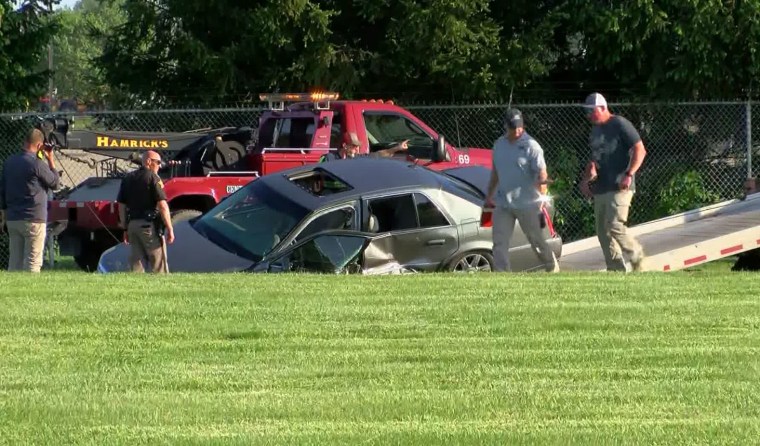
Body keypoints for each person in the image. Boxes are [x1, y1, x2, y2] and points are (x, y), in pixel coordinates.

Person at [579, 92, 647, 272]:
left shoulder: (619, 124)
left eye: (591, 111)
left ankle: (637, 257)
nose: (589, 116)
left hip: (620, 185)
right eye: (587, 112)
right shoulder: (594, 131)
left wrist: (629, 173)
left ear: (603, 108)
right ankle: (616, 270)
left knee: (615, 225)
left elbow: (640, 150)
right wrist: (587, 178)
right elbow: (594, 160)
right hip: (601, 187)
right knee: (603, 233)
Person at [485, 109, 559, 273]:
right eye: (513, 127)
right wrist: (489, 195)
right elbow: (496, 172)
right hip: (504, 203)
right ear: (506, 126)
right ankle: (502, 276)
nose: (517, 130)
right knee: (499, 243)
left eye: (519, 126)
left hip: (528, 203)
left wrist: (542, 196)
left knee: (537, 241)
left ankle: (552, 268)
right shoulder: (499, 145)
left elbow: (542, 173)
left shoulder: (532, 146)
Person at [0, 128, 61, 272]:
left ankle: (13, 291)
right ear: (39, 145)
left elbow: (2, 190)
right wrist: (50, 159)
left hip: (14, 219)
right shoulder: (37, 164)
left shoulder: (9, 162)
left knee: (15, 262)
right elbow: (55, 183)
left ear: (25, 141)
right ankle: (30, 290)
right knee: (32, 262)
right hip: (34, 219)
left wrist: (3, 214)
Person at [116, 150, 175, 273]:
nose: (160, 166)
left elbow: (121, 205)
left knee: (137, 264)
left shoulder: (128, 178)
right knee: (158, 264)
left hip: (132, 225)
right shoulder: (153, 178)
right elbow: (162, 205)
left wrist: (125, 228)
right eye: (158, 162)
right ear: (148, 161)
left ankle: (137, 289)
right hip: (148, 226)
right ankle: (162, 289)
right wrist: (170, 228)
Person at [320, 132, 408, 162]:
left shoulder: (358, 159)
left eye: (358, 146)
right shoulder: (328, 159)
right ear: (344, 146)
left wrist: (397, 148)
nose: (357, 150)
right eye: (354, 146)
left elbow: (379, 154)